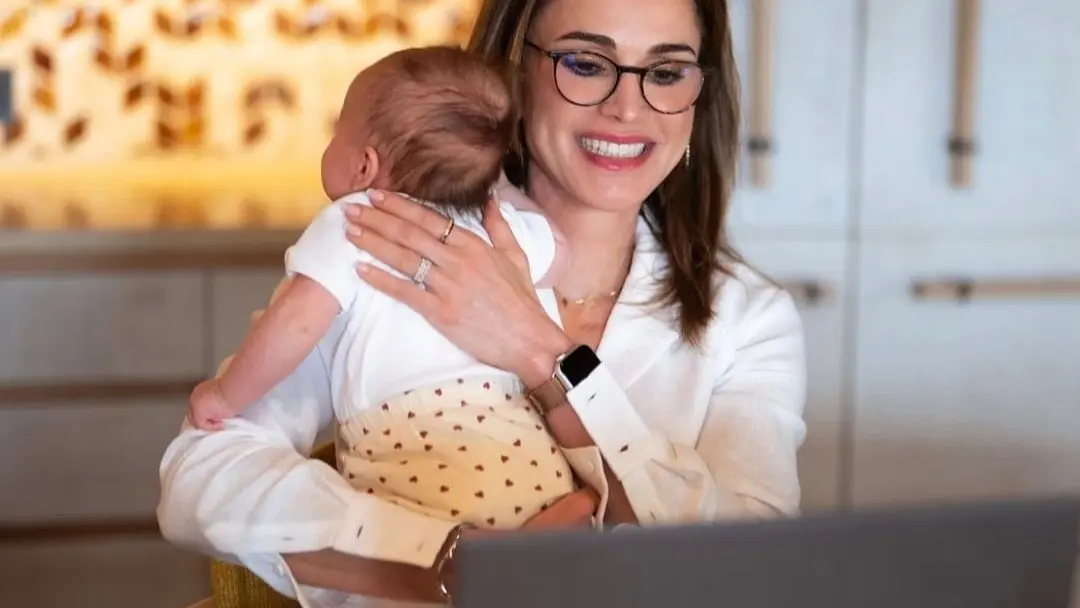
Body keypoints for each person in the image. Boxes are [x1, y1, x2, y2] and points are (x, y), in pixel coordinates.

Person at [157, 0, 807, 605]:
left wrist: (541, 352)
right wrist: (441, 564)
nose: (627, 109)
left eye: (665, 73)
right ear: (514, 71)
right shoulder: (391, 246)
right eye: (586, 63)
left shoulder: (751, 321)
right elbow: (199, 480)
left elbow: (756, 573)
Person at [185, 45, 576, 531]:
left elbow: (296, 322)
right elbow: (560, 253)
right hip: (530, 463)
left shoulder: (353, 221)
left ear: (364, 167)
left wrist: (226, 396)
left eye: (337, 132)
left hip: (410, 458)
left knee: (413, 556)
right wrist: (501, 192)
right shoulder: (500, 228)